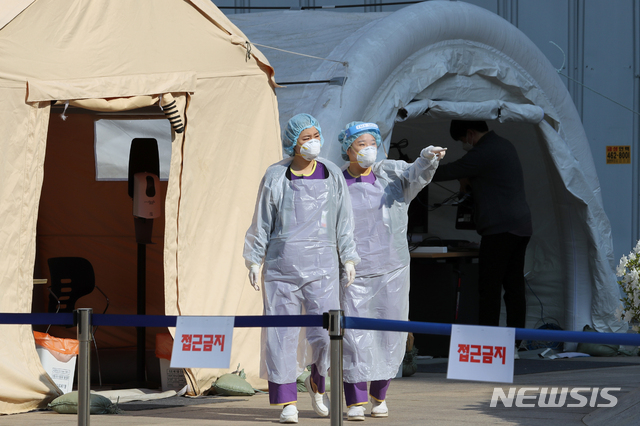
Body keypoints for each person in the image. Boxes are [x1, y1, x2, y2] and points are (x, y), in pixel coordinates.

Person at [243, 113, 360, 424]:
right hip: (282, 268)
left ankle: (317, 382)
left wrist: (348, 257)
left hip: (322, 269)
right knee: (280, 335)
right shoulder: (275, 176)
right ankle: (286, 403)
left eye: (315, 136)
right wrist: (255, 259)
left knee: (326, 334)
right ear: (293, 142)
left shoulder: (332, 174)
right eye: (306, 137)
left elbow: (344, 222)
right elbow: (262, 222)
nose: (313, 142)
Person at [337, 121, 446, 421]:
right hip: (353, 272)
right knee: (353, 336)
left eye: (373, 142)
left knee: (389, 332)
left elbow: (416, 174)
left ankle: (379, 395)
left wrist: (427, 158)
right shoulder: (336, 182)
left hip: (392, 269)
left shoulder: (391, 176)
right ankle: (355, 400)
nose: (369, 149)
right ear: (347, 148)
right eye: (362, 144)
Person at [432, 120, 532, 346]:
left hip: (500, 229)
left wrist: (414, 169)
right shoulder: (504, 145)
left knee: (489, 288)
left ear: (469, 133)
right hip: (521, 227)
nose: (463, 145)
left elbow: (450, 170)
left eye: (461, 141)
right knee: (514, 287)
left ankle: (488, 343)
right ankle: (515, 343)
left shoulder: (483, 151)